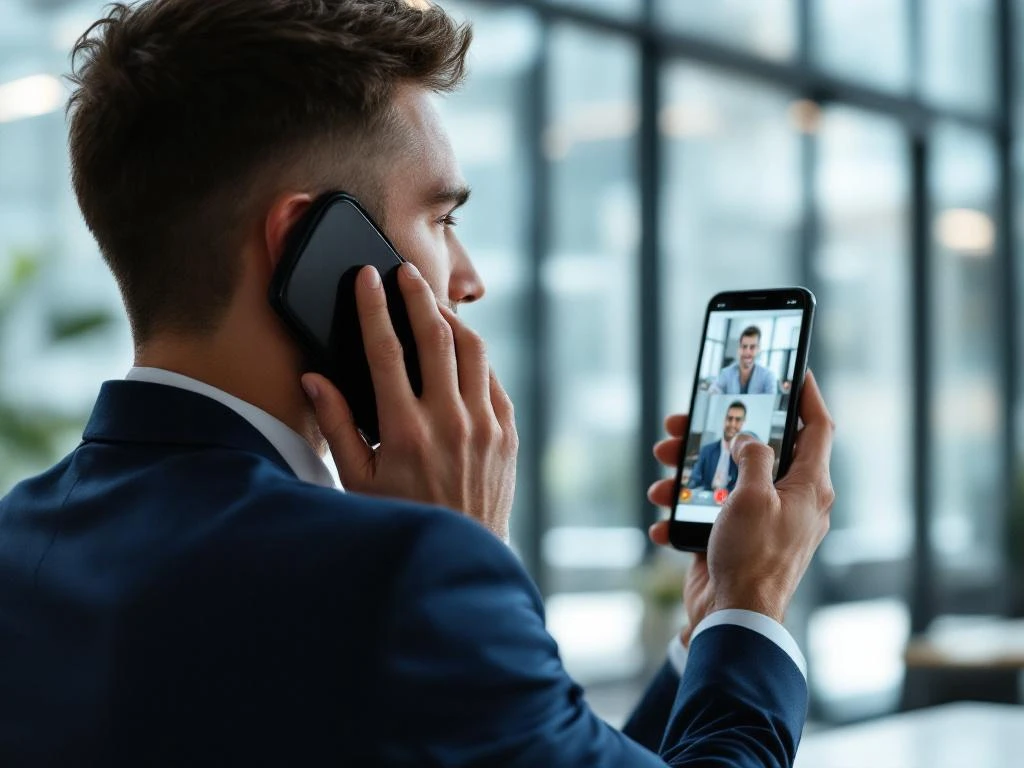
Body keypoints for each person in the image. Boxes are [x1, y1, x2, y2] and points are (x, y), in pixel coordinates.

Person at [0, 1, 835, 765]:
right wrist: (753, 603)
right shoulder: (398, 575)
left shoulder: (17, 540)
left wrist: (704, 631)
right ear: (312, 247)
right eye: (443, 219)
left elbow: (527, 748)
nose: (467, 279)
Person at [688, 401, 746, 492]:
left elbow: (742, 487)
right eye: (729, 418)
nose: (732, 424)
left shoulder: (743, 457)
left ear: (743, 423)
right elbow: (695, 480)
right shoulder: (706, 450)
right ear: (724, 420)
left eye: (738, 420)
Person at [711, 325, 779, 395]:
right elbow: (714, 392)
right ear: (739, 349)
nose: (747, 352)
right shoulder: (725, 373)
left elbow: (771, 403)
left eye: (752, 347)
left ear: (758, 349)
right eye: (744, 347)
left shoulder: (768, 376)